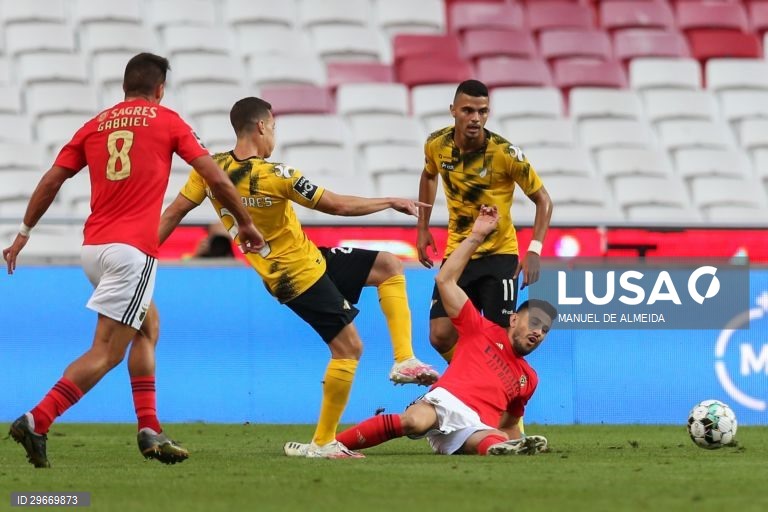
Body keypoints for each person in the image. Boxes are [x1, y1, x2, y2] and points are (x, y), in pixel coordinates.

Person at [3, 53, 264, 468]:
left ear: (125, 86)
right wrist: (245, 223)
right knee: (106, 352)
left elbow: (53, 178)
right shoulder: (168, 120)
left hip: (93, 250)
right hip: (131, 252)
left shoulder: (95, 124)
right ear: (160, 88)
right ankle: (38, 419)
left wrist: (24, 233)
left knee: (148, 326)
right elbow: (214, 175)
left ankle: (149, 428)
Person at [158, 96, 439, 459]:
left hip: (309, 259)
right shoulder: (277, 175)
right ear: (261, 126)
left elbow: (174, 212)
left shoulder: (210, 170)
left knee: (388, 265)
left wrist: (143, 253)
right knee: (349, 349)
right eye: (273, 127)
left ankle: (404, 359)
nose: (274, 135)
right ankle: (323, 443)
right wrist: (388, 201)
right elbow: (336, 205)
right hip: (297, 275)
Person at [336, 205, 557, 456]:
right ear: (514, 319)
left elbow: (508, 424)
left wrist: (521, 441)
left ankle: (500, 448)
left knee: (494, 438)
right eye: (534, 322)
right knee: (413, 421)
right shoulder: (480, 328)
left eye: (545, 330)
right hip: (445, 403)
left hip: (477, 427)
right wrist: (476, 235)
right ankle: (332, 444)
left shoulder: (529, 378)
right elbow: (444, 281)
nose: (539, 332)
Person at [417, 79, 554, 365]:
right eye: (468, 110)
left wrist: (534, 249)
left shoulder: (505, 153)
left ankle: (492, 388)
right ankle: (472, 378)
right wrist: (423, 227)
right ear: (453, 110)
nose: (476, 118)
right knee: (440, 334)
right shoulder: (436, 145)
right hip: (460, 251)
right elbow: (429, 175)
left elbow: (543, 200)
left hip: (499, 256)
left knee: (500, 341)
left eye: (482, 111)